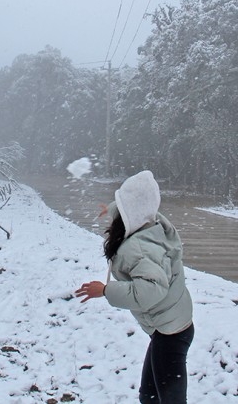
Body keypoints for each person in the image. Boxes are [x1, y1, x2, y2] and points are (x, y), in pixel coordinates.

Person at [75, 170, 194, 404]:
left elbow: (149, 291)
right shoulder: (152, 222)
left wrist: (105, 290)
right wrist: (111, 209)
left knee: (169, 400)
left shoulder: (140, 248)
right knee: (149, 397)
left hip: (170, 332)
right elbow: (137, 206)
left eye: (120, 206)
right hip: (171, 326)